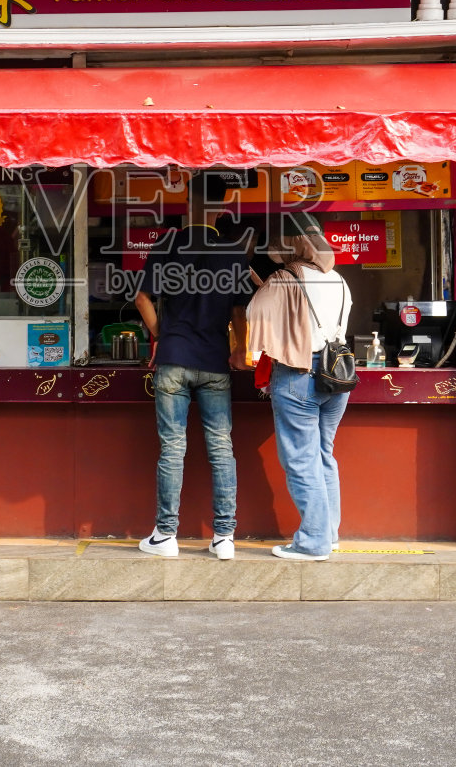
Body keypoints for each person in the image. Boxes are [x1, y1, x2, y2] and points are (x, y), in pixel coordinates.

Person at [132, 178, 252, 561]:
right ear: (221, 209)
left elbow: (141, 296)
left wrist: (160, 333)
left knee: (172, 449)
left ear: (187, 205)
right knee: (222, 448)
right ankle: (224, 537)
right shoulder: (233, 252)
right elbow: (238, 311)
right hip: (215, 361)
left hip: (173, 360)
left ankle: (165, 535)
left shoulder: (167, 244)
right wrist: (241, 353)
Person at [246, 214, 353, 562]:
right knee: (323, 453)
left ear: (293, 246)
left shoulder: (284, 277)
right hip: (336, 376)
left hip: (297, 375)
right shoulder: (339, 280)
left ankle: (313, 542)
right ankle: (329, 533)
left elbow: (254, 315)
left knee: (301, 460)